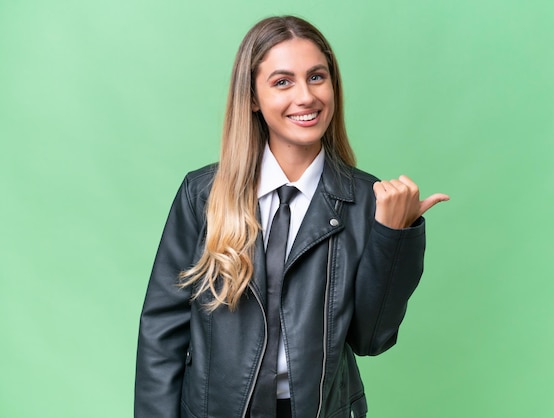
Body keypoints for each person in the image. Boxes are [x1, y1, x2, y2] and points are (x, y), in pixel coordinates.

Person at [134, 15, 449, 418]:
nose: (306, 97)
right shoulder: (203, 195)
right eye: (283, 82)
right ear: (252, 97)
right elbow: (162, 331)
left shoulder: (366, 201)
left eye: (317, 77)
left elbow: (372, 339)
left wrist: (394, 235)